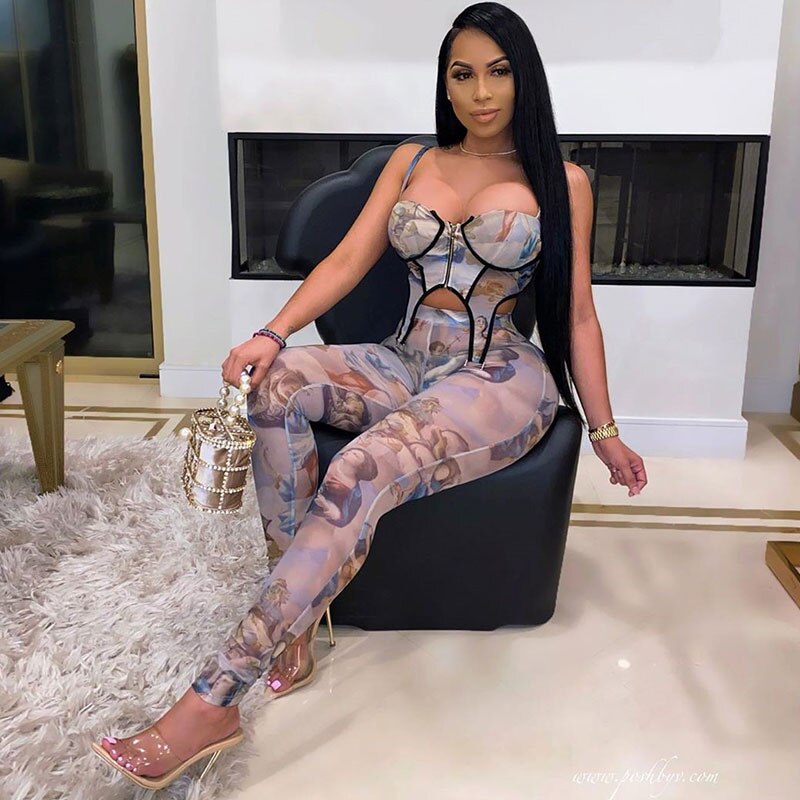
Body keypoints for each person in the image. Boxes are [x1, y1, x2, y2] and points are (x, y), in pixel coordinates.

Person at [92, 1, 648, 789]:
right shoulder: (414, 160)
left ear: (524, 79)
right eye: (463, 73)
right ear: (445, 83)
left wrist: (605, 430)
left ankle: (213, 697)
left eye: (498, 72)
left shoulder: (564, 182)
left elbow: (579, 313)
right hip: (402, 356)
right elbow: (349, 261)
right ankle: (294, 623)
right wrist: (272, 334)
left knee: (359, 468)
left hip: (495, 376)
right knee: (277, 388)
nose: (481, 92)